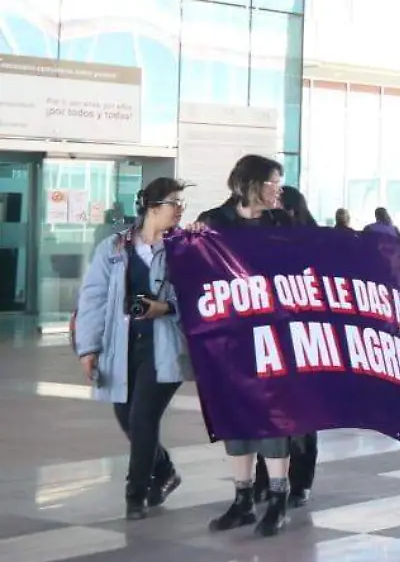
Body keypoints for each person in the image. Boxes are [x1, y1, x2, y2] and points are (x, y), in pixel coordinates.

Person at [74, 177, 190, 520]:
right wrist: (88, 348)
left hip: (165, 345)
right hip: (121, 345)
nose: (180, 209)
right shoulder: (113, 248)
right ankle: (165, 468)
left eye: (183, 203)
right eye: (174, 203)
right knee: (126, 417)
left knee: (143, 417)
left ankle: (135, 491)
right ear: (152, 207)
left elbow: (198, 300)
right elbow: (92, 299)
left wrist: (165, 309)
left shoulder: (184, 250)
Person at [197, 155, 299, 537]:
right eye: (274, 182)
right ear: (253, 183)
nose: (279, 189)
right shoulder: (213, 222)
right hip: (228, 336)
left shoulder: (283, 222)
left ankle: (277, 498)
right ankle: (242, 500)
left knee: (273, 414)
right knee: (233, 415)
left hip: (272, 334)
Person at [256, 185, 321, 507]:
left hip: (304, 337)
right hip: (270, 335)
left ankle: (299, 482)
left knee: (302, 414)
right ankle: (265, 478)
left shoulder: (312, 243)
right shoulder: (262, 240)